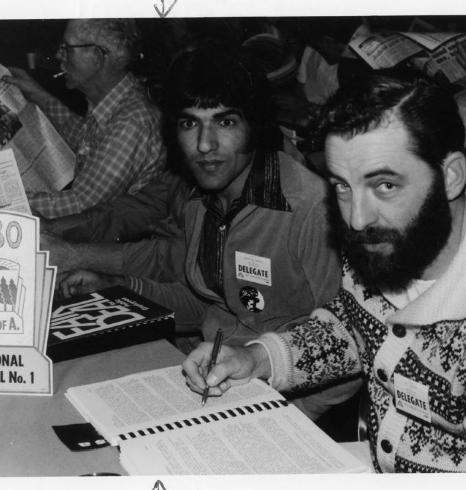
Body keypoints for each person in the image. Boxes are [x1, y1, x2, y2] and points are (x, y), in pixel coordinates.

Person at [183, 74, 466, 472]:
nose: (356, 218)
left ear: (450, 176)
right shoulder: (393, 236)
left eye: (385, 184)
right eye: (341, 186)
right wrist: (258, 359)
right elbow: (354, 324)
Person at [54, 41, 358, 420]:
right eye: (189, 123)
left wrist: (291, 417)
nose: (204, 144)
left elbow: (352, 338)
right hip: (212, 383)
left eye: (225, 122)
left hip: (281, 404)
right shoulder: (201, 198)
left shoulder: (309, 208)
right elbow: (209, 303)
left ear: (254, 124)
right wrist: (116, 287)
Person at [4, 18, 165, 218]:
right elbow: (83, 137)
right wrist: (39, 95)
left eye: (67, 48)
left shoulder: (132, 122)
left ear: (97, 57)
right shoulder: (116, 99)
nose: (58, 54)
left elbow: (80, 204)